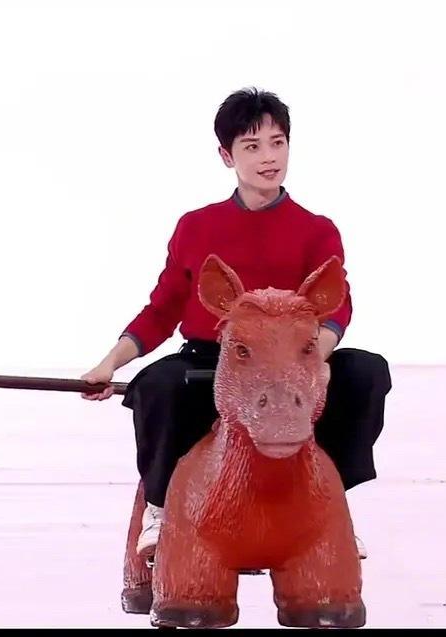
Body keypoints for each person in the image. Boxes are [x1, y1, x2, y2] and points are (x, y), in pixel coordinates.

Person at [79, 87, 392, 561]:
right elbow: (162, 309)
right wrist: (109, 364)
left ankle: (333, 505)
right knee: (157, 385)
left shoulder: (317, 229)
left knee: (366, 371)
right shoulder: (195, 226)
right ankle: (159, 508)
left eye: (277, 143)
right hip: (216, 363)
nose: (269, 157)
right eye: (252, 146)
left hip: (293, 362)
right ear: (227, 156)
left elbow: (335, 308)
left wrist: (313, 361)